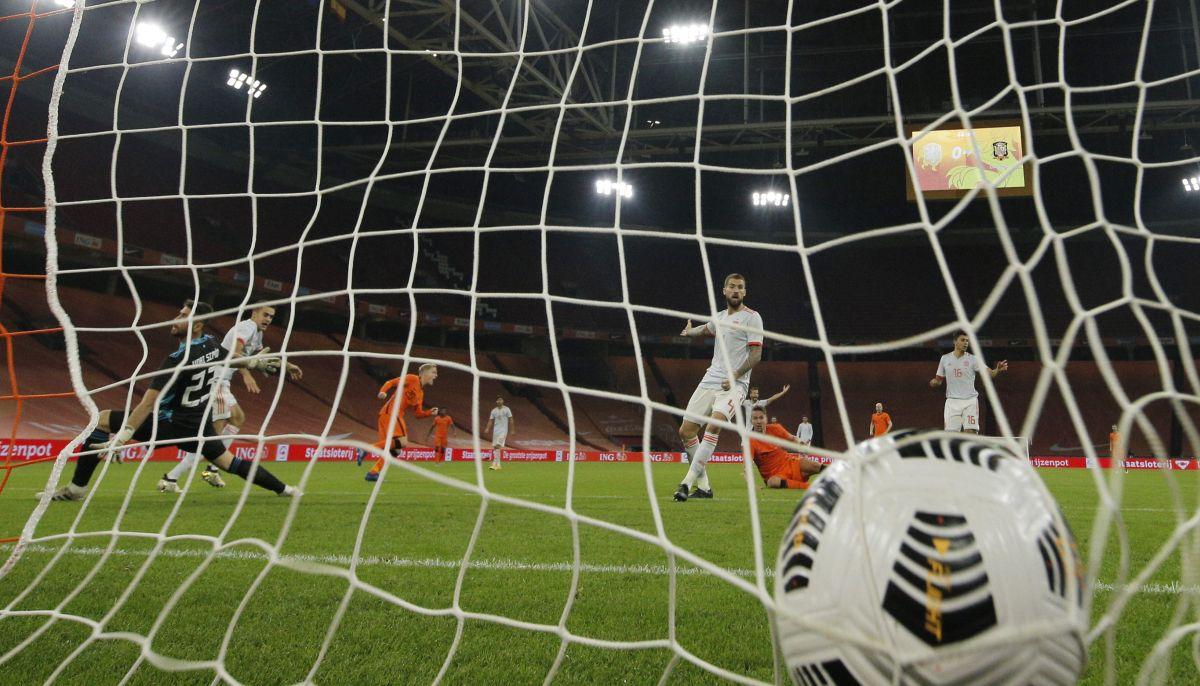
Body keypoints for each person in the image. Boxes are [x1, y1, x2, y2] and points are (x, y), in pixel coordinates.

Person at [41, 301, 299, 501]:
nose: (175, 320)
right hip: (199, 424)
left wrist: (122, 438)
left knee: (104, 420)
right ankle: (286, 489)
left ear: (197, 323)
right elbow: (232, 357)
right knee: (228, 462)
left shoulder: (177, 359)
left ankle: (76, 489)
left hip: (171, 423)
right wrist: (262, 364)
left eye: (183, 316)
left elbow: (148, 404)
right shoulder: (209, 344)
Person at [159, 303, 302, 493]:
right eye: (265, 314)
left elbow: (261, 357)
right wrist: (246, 374)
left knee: (237, 418)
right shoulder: (247, 327)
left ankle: (211, 468)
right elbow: (235, 354)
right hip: (215, 379)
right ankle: (173, 477)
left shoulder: (257, 333)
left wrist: (287, 365)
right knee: (211, 437)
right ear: (255, 312)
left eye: (271, 317)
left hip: (222, 382)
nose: (268, 319)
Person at [674, 273, 764, 502]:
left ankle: (686, 483)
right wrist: (690, 332)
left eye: (740, 287)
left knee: (714, 425)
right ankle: (704, 487)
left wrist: (735, 375)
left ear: (745, 292)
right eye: (732, 286)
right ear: (724, 290)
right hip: (711, 378)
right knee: (686, 431)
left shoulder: (752, 318)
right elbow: (707, 329)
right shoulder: (721, 317)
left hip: (736, 384)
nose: (736, 290)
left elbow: (756, 355)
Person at [365, 364, 439, 482]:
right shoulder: (412, 379)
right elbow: (391, 382)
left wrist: (429, 412)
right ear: (424, 373)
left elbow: (418, 414)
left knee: (395, 450)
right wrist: (383, 391)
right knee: (403, 441)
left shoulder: (420, 393)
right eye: (433, 372)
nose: (436, 375)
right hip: (392, 413)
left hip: (390, 415)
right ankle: (365, 449)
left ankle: (372, 473)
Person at [929, 330, 1007, 434]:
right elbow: (938, 380)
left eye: (967, 340)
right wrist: (934, 382)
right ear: (955, 342)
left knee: (970, 433)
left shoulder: (973, 359)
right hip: (952, 402)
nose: (966, 343)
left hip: (970, 401)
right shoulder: (945, 359)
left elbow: (990, 373)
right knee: (951, 437)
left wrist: (997, 370)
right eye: (962, 340)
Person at [747, 407, 823, 488]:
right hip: (776, 477)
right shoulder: (749, 441)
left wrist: (800, 442)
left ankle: (838, 475)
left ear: (766, 418)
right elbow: (747, 467)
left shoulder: (775, 428)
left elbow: (792, 438)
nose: (758, 421)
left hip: (791, 463)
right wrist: (752, 485)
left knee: (816, 466)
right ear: (751, 421)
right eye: (755, 418)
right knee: (772, 482)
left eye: (761, 417)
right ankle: (811, 487)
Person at [484, 397, 514, 471]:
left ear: (503, 401)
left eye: (500, 400)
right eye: (498, 400)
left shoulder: (507, 409)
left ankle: (494, 464)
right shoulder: (494, 411)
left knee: (498, 445)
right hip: (496, 431)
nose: (499, 401)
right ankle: (498, 465)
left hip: (503, 431)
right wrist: (487, 428)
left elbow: (511, 419)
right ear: (496, 401)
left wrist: (512, 429)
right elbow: (490, 421)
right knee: (495, 447)